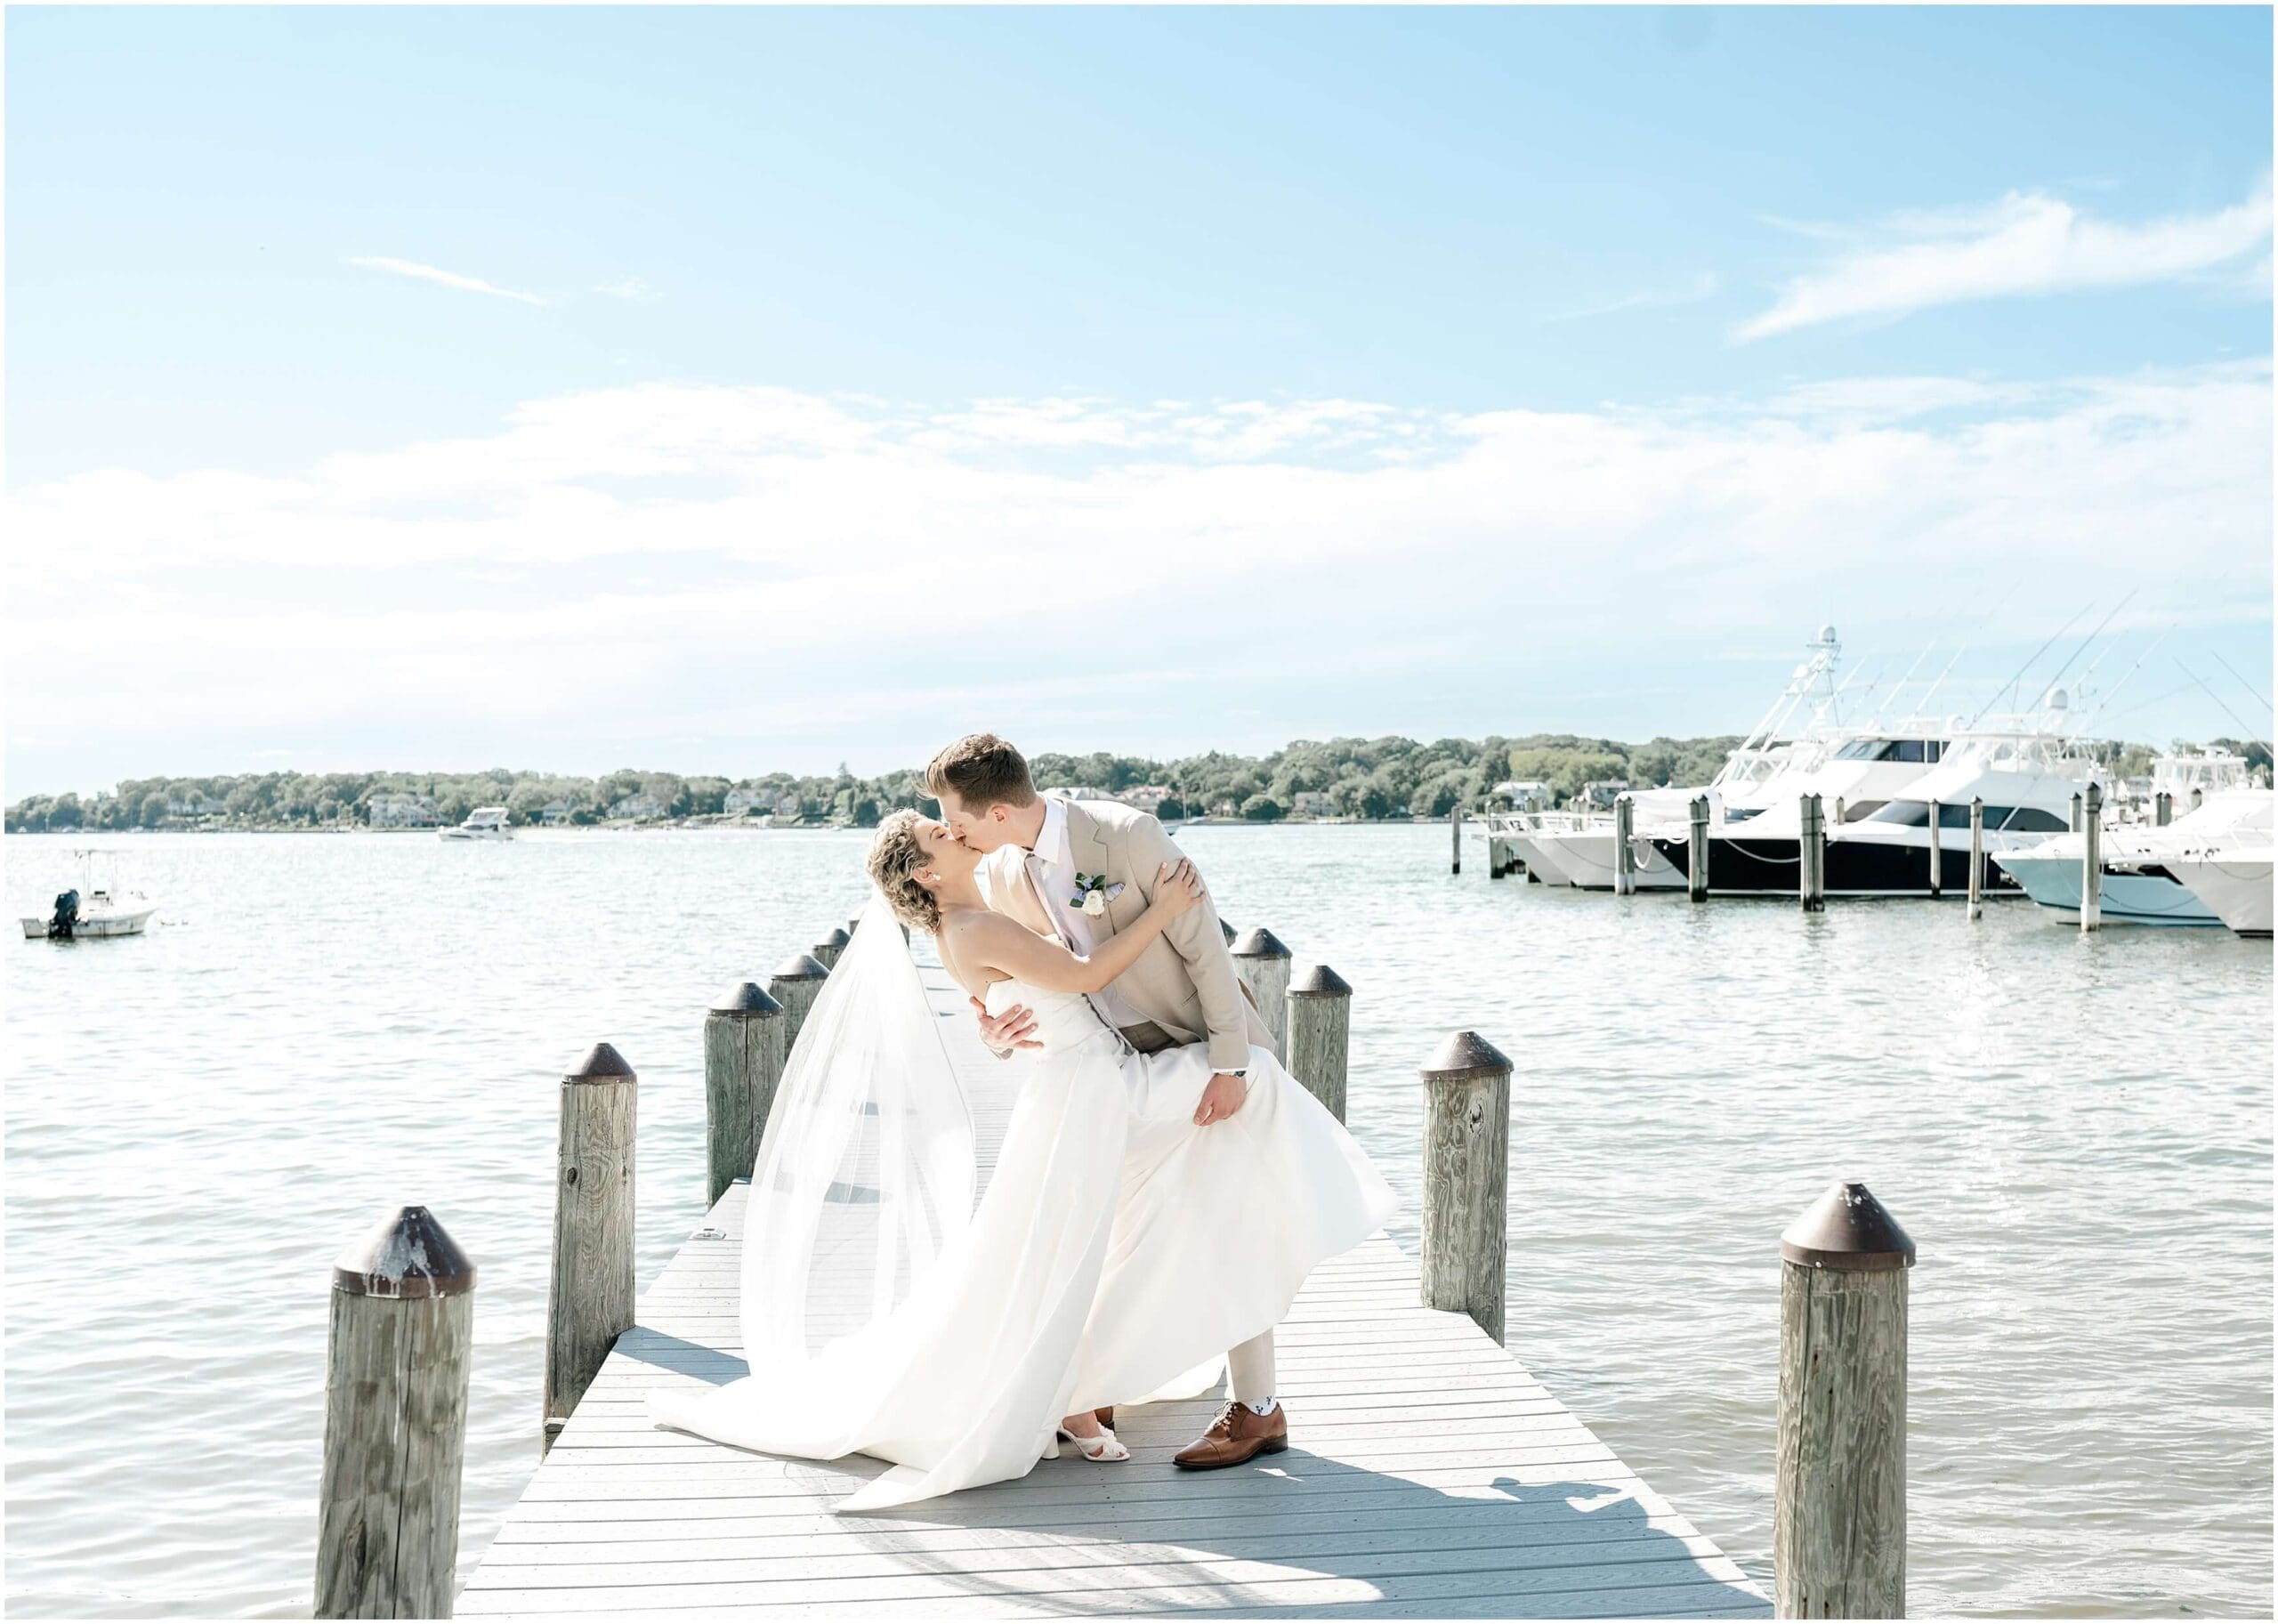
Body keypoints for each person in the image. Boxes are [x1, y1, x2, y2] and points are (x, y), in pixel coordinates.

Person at [926, 731, 1392, 1467]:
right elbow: (1025, 979)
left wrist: (1233, 1066)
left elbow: (1206, 948)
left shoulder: (1127, 834)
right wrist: (993, 1026)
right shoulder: (1003, 876)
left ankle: (1257, 1410)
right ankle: (1096, 1379)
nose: (951, 830)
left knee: (1231, 1217)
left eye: (955, 816)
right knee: (1120, 1226)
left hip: (1198, 1052)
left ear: (998, 813)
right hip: (1116, 1073)